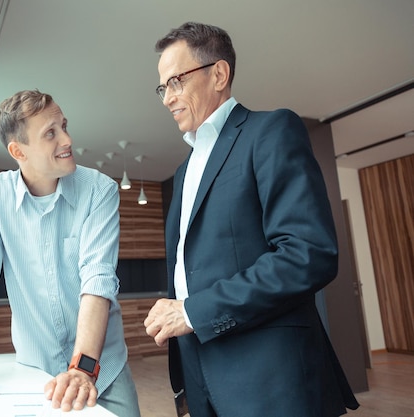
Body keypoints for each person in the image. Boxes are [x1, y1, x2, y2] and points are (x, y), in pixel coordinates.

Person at [143, 22, 360, 417]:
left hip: (269, 379)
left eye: (174, 82)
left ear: (219, 74)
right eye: (163, 88)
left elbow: (307, 254)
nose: (167, 98)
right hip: (200, 375)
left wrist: (192, 311)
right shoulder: (183, 170)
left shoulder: (271, 131)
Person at [0, 89, 140, 416]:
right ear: (17, 150)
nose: (67, 139)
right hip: (36, 372)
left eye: (64, 126)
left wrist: (82, 369)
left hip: (102, 370)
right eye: (50, 133)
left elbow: (98, 278)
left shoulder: (99, 190)